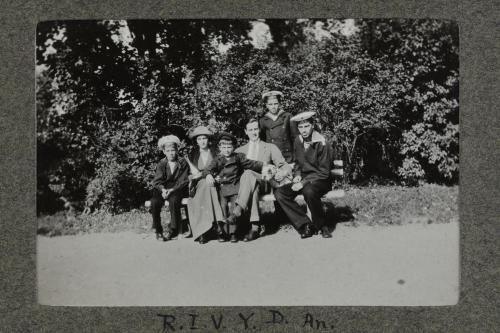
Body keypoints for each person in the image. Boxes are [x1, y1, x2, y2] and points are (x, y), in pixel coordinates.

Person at [273, 111, 334, 239]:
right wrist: (298, 175)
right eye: (300, 127)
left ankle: (322, 225)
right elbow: (297, 163)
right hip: (304, 179)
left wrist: (303, 182)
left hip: (321, 180)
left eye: (306, 126)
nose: (303, 130)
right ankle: (305, 224)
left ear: (312, 125)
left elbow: (324, 172)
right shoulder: (297, 141)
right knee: (280, 193)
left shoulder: (322, 143)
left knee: (309, 191)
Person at [232, 118, 292, 241]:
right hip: (247, 186)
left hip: (266, 183)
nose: (254, 132)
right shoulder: (239, 151)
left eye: (255, 129)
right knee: (251, 182)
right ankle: (255, 227)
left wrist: (283, 172)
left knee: (249, 173)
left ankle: (238, 208)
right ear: (245, 131)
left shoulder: (269, 147)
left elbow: (283, 164)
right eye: (250, 130)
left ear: (259, 130)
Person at [201, 132, 264, 243]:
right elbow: (207, 169)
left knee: (234, 207)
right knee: (223, 206)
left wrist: (263, 164)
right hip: (222, 188)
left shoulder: (238, 157)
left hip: (236, 186)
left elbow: (251, 164)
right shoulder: (217, 159)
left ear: (234, 147)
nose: (227, 150)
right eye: (224, 147)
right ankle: (223, 232)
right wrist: (209, 175)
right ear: (220, 148)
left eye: (229, 147)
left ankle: (233, 233)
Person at [185, 126, 224, 244]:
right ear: (196, 141)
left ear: (208, 140)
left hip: (216, 182)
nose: (202, 141)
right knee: (207, 185)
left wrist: (217, 176)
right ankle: (218, 226)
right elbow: (188, 174)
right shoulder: (192, 155)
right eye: (199, 139)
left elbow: (222, 168)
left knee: (209, 185)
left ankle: (204, 231)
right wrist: (196, 176)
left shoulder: (216, 152)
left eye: (204, 138)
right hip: (198, 184)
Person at [150, 135, 190, 241]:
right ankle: (158, 229)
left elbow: (183, 180)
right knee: (154, 202)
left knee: (174, 200)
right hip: (163, 188)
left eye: (173, 150)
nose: (171, 153)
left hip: (177, 188)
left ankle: (173, 229)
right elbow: (157, 181)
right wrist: (163, 190)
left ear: (177, 150)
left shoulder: (182, 162)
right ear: (164, 152)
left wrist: (172, 190)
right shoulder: (162, 163)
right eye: (168, 151)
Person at [259, 90, 298, 163]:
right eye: (270, 104)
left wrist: (295, 159)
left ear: (279, 104)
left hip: (287, 156)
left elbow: (295, 139)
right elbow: (262, 141)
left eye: (275, 103)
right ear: (266, 105)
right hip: (272, 157)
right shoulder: (263, 120)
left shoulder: (288, 116)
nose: (273, 107)